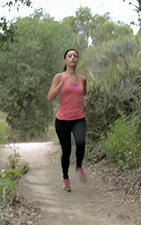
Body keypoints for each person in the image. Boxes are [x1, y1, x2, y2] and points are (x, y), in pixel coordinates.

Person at [47, 48, 88, 192]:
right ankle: (66, 178)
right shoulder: (59, 77)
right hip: (62, 119)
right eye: (70, 56)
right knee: (66, 150)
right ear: (65, 60)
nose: (73, 58)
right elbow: (50, 97)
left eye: (75, 56)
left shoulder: (82, 79)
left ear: (77, 60)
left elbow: (83, 94)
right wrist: (60, 84)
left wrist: (84, 101)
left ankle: (79, 166)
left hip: (79, 118)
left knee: (81, 144)